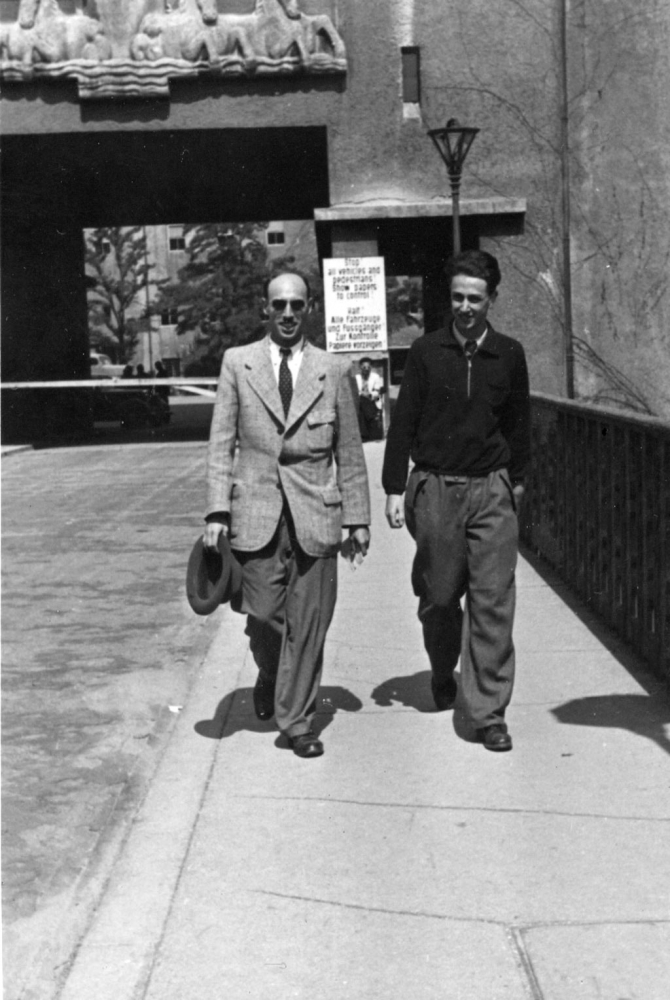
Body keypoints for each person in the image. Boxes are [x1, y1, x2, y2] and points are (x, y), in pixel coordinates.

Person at [203, 272, 371, 758]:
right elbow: (221, 442)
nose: (288, 313)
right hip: (254, 511)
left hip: (316, 513)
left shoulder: (333, 369)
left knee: (310, 620)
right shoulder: (238, 363)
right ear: (266, 310)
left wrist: (358, 520)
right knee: (262, 614)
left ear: (310, 307)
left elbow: (351, 451)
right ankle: (272, 672)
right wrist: (216, 511)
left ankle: (297, 721)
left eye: (297, 304)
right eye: (279, 305)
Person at [382, 250, 530, 752]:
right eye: (458, 297)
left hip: (491, 488)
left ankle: (488, 713)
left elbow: (519, 426)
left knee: (493, 602)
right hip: (436, 489)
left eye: (475, 298)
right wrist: (392, 488)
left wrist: (519, 483)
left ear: (492, 299)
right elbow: (403, 422)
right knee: (440, 598)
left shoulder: (509, 354)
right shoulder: (426, 351)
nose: (465, 307)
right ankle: (443, 668)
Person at [355, 357, 385, 441]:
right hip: (360, 402)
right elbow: (355, 392)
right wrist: (362, 394)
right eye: (364, 367)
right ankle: (369, 421)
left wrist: (369, 394)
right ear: (360, 367)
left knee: (362, 408)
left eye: (368, 367)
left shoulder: (375, 377)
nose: (366, 369)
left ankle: (364, 435)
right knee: (361, 401)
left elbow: (377, 391)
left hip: (372, 401)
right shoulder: (356, 378)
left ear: (371, 367)